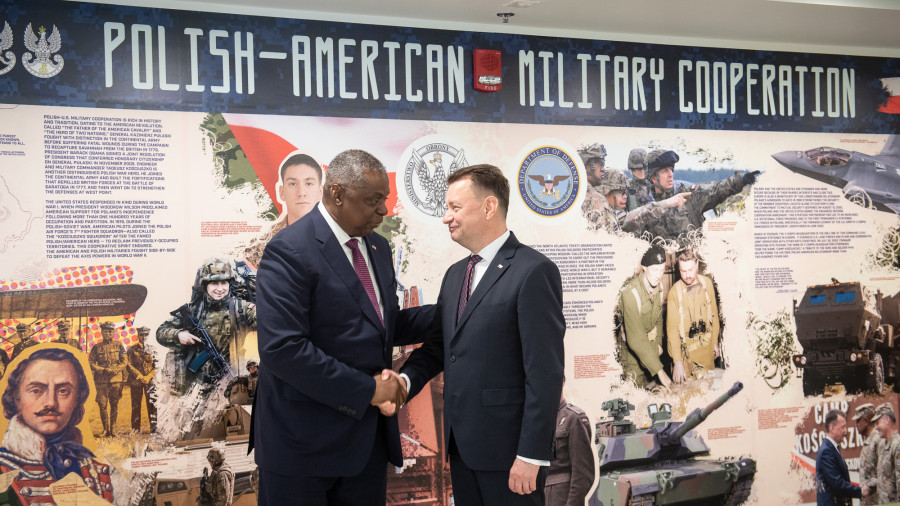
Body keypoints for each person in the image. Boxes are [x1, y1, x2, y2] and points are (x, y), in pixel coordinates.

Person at [251, 149, 435, 506]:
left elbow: (384, 325)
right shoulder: (289, 249)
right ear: (337, 194)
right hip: (302, 449)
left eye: (384, 200)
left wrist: (458, 310)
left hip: (365, 448)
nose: (383, 211)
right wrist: (369, 390)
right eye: (373, 201)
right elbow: (282, 349)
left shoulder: (378, 247)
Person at [400, 164, 565, 506]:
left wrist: (531, 456)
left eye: (455, 208)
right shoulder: (455, 275)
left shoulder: (533, 271)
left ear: (489, 207)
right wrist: (403, 383)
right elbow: (438, 349)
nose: (447, 218)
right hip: (462, 450)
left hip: (511, 458)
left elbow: (545, 373)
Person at [0, 347, 114, 504]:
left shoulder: (95, 471)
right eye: (36, 390)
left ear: (77, 400)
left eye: (63, 391)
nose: (51, 403)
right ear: (16, 398)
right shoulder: (3, 467)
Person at [156, 258, 257, 393]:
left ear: (229, 284)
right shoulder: (194, 310)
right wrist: (178, 335)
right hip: (194, 386)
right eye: (214, 283)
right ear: (205, 285)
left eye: (224, 283)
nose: (220, 289)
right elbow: (161, 332)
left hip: (226, 384)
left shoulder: (241, 308)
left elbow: (267, 322)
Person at [641, 149, 759, 241]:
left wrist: (740, 180)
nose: (670, 174)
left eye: (671, 169)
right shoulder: (648, 211)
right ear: (653, 179)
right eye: (664, 171)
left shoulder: (689, 196)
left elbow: (716, 190)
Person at [243, 152, 324, 268]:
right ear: (282, 192)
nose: (301, 192)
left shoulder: (341, 240)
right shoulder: (259, 247)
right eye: (292, 184)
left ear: (321, 191)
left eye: (309, 183)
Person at [618, 245, 673, 390]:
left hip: (651, 349)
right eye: (655, 270)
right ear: (644, 267)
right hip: (632, 357)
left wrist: (659, 344)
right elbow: (635, 339)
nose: (659, 275)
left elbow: (658, 319)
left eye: (662, 270)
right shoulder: (630, 292)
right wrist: (660, 371)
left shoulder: (659, 288)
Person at [665, 249, 721, 382]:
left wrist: (715, 342)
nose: (687, 275)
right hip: (686, 358)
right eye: (683, 271)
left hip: (707, 354)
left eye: (690, 269)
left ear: (697, 265)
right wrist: (677, 362)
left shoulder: (707, 284)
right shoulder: (674, 293)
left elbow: (714, 316)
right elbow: (672, 331)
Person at [582, 169, 690, 234]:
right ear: (606, 192)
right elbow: (632, 218)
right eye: (620, 192)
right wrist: (666, 203)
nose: (625, 197)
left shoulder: (614, 215)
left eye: (626, 192)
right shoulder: (597, 216)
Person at [544, 383, 594, 506]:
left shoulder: (574, 418)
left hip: (561, 498)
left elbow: (583, 474)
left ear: (562, 382)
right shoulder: (537, 420)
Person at [815, 409, 865, 505]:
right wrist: (860, 491)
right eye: (843, 427)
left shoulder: (832, 448)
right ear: (832, 427)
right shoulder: (827, 451)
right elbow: (836, 483)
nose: (846, 431)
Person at [88, 321, 127, 437]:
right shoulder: (96, 347)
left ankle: (113, 429)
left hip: (115, 380)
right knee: (103, 405)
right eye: (105, 331)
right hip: (101, 380)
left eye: (110, 331)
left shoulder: (119, 346)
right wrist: (102, 369)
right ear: (101, 333)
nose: (107, 333)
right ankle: (105, 429)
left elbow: (124, 361)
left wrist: (116, 369)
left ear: (113, 332)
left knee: (114, 404)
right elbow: (90, 362)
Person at [126, 326, 157, 433]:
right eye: (141, 335)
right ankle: (135, 429)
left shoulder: (153, 349)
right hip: (136, 381)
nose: (143, 337)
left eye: (146, 335)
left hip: (150, 381)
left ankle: (154, 429)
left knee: (152, 405)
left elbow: (157, 365)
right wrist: (139, 376)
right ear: (138, 336)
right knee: (135, 405)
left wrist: (148, 377)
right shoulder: (131, 350)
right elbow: (128, 365)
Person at [872, 402, 900, 504]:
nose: (876, 427)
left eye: (877, 423)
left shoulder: (897, 446)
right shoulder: (882, 445)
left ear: (887, 420)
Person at [854, 403, 880, 505]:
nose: (856, 425)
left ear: (865, 421)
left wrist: (869, 486)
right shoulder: (868, 441)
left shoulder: (878, 441)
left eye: (857, 421)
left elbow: (886, 474)